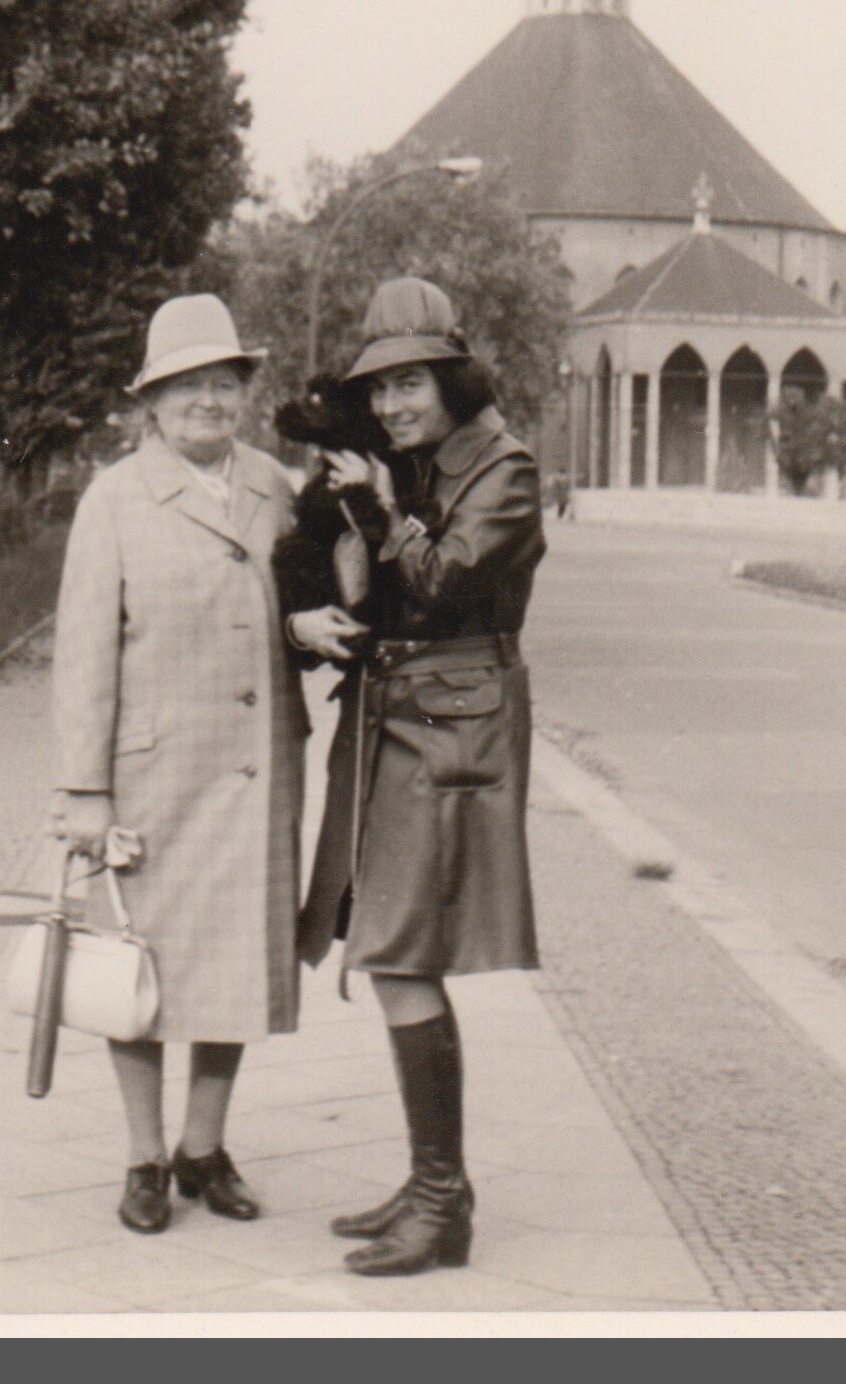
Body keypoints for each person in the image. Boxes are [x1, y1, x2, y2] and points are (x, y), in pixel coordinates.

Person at [290, 277, 546, 1278]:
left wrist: (381, 508)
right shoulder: (420, 461)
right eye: (379, 388)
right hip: (401, 714)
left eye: (411, 383)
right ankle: (438, 1188)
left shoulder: (504, 469)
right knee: (395, 948)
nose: (392, 404)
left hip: (449, 725)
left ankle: (441, 1200)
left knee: (398, 951)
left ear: (452, 380)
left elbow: (440, 582)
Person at [50, 293, 314, 1235]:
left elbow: (310, 605)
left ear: (244, 395)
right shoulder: (115, 498)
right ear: (152, 404)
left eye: (224, 383)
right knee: (140, 968)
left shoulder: (274, 486)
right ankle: (142, 1158)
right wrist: (84, 792)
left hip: (255, 769)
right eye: (186, 386)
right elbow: (83, 652)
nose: (208, 400)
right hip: (152, 780)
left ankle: (204, 1148)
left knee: (234, 961)